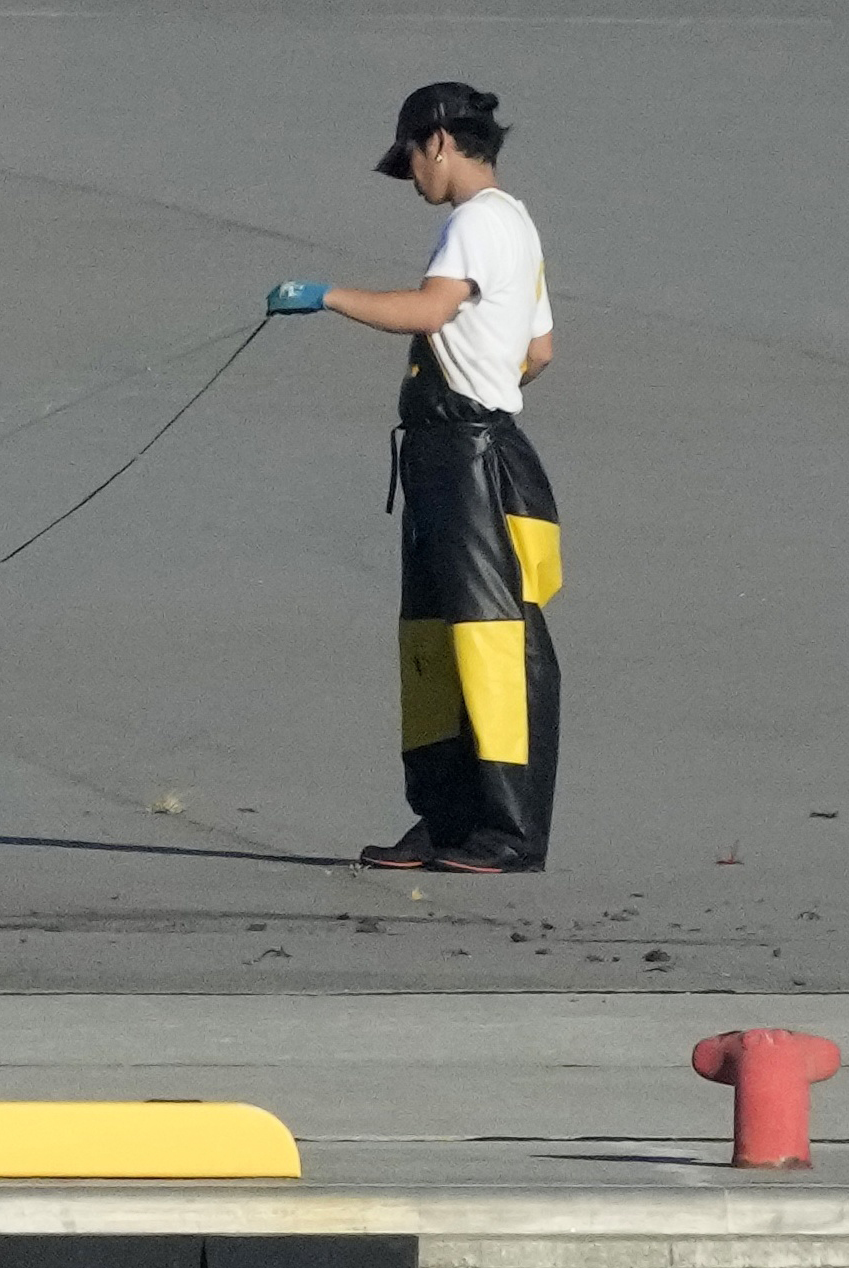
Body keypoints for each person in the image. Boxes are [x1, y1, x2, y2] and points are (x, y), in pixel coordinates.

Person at [266, 81, 562, 875]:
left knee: (490, 640)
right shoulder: (518, 226)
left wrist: (327, 296)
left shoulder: (478, 223)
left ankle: (505, 833)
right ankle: (446, 820)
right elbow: (539, 350)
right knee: (432, 639)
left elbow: (430, 312)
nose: (415, 182)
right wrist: (488, 389)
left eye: (411, 162)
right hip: (452, 452)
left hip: (469, 457)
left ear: (437, 140)